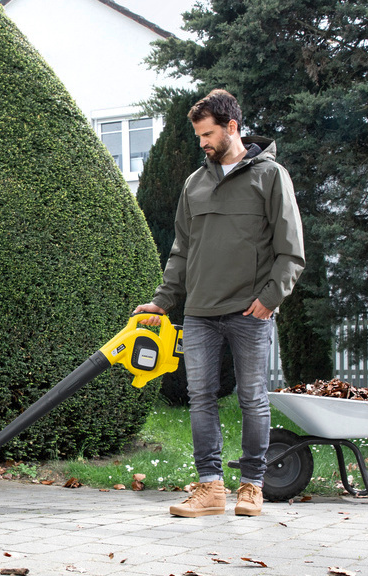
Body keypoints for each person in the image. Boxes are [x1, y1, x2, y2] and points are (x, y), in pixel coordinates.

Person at [134, 89, 305, 518]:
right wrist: (162, 301)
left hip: (250, 311)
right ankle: (209, 487)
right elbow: (181, 251)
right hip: (200, 313)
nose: (203, 143)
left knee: (251, 398)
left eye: (208, 134)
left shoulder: (270, 176)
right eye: (198, 137)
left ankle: (252, 486)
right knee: (201, 398)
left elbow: (291, 250)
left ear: (232, 127)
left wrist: (271, 298)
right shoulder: (195, 184)